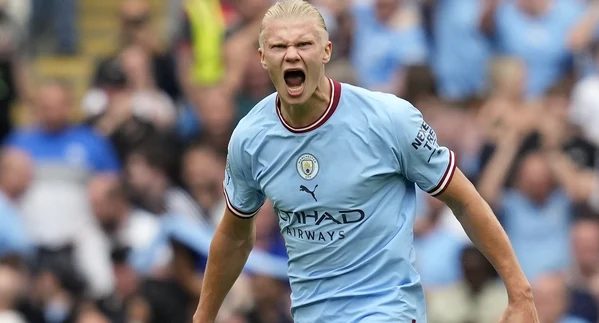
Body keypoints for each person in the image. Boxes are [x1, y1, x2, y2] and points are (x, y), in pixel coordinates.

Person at [193, 1, 538, 323]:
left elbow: (464, 200)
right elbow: (235, 236)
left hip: (388, 309)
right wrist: (203, 317)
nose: (292, 55)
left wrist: (519, 291)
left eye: (304, 45)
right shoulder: (250, 138)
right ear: (262, 57)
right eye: (279, 47)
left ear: (327, 51)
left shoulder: (389, 119)